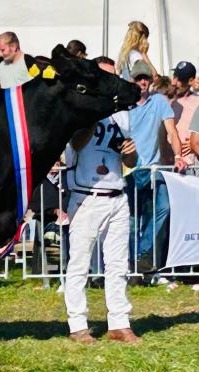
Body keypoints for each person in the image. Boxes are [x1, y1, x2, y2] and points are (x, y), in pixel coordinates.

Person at [64, 57, 140, 344]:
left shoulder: (122, 115)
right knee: (79, 263)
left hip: (116, 192)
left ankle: (119, 322)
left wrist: (130, 151)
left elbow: (130, 160)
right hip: (87, 196)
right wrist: (95, 112)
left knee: (118, 263)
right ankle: (77, 324)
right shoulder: (79, 109)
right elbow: (77, 144)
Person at [125, 61, 186, 270]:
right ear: (132, 80)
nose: (143, 82)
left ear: (151, 81)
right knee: (132, 219)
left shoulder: (159, 101)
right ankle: (133, 265)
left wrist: (178, 155)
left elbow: (172, 131)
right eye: (139, 78)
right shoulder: (124, 103)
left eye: (146, 78)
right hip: (129, 169)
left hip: (153, 169)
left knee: (163, 208)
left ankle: (143, 254)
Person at [170, 61, 199, 167]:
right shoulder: (164, 100)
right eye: (174, 76)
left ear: (191, 80)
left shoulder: (197, 102)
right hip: (166, 165)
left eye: (179, 80)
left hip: (190, 165)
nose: (174, 82)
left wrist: (194, 144)